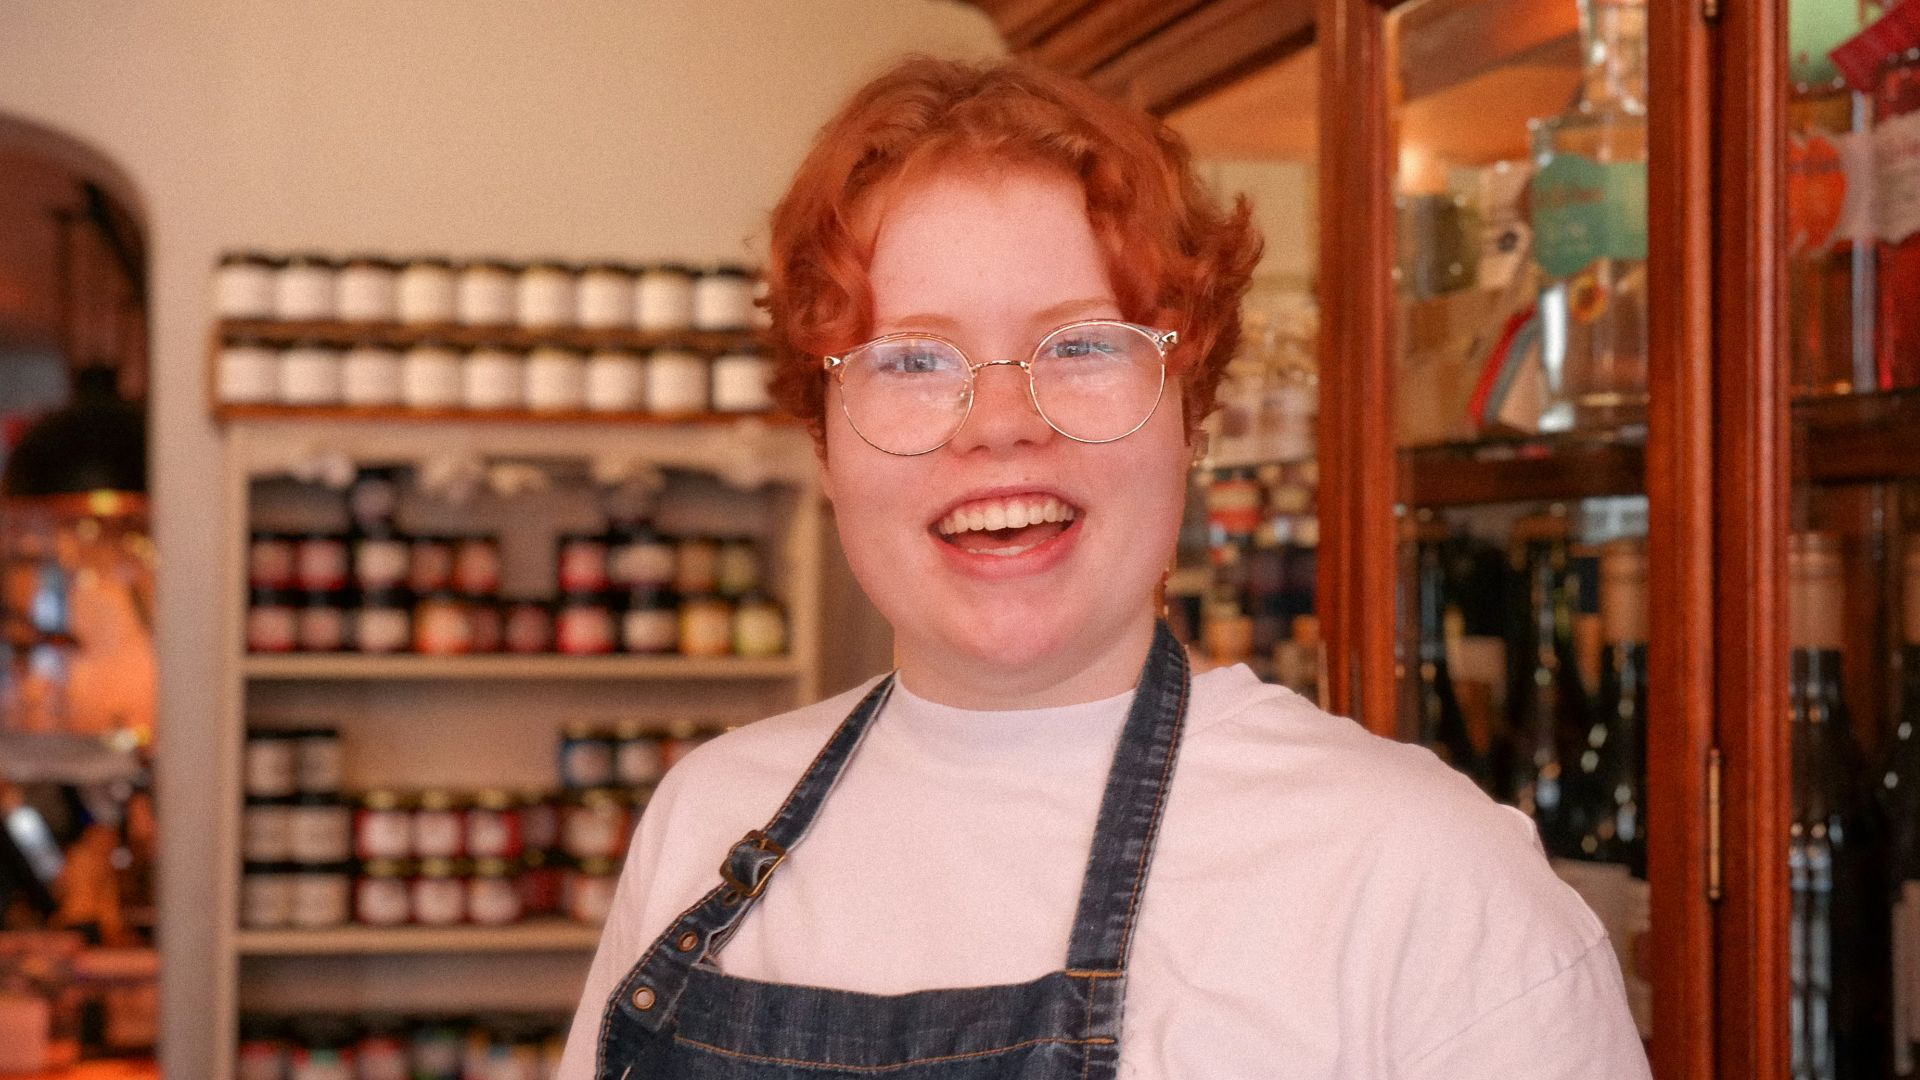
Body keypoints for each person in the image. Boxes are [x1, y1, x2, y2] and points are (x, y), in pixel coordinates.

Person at [556, 56, 1651, 1079]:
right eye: (913, 360)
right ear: (823, 444)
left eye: (1079, 345)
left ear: (1193, 415)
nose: (998, 423)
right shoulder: (706, 819)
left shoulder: (1424, 879)